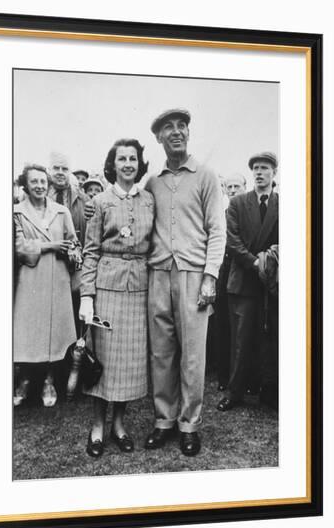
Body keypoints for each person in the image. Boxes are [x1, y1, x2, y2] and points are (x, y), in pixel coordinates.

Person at [144, 109, 226, 456]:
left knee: (193, 355)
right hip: (158, 274)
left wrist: (210, 276)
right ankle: (164, 421)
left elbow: (217, 230)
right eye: (168, 128)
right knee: (161, 353)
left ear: (189, 134)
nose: (176, 132)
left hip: (194, 275)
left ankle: (189, 424)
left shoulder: (206, 175)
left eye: (181, 127)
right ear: (159, 138)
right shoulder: (152, 181)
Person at [79, 139, 154, 458]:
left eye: (133, 159)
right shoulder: (100, 201)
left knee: (129, 364)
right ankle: (97, 425)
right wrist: (86, 296)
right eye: (121, 158)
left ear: (139, 164)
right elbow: (90, 251)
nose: (127, 164)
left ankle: (119, 425)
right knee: (104, 363)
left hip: (138, 290)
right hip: (107, 290)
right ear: (113, 163)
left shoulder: (149, 200)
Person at [13, 164, 80, 407]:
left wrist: (73, 252)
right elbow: (19, 248)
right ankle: (25, 380)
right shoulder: (16, 212)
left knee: (54, 333)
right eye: (34, 182)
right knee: (28, 331)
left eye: (43, 181)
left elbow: (73, 243)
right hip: (31, 279)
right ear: (26, 185)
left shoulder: (61, 212)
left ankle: (49, 381)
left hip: (58, 278)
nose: (40, 186)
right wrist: (51, 245)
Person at [217, 152, 279, 411]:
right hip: (243, 279)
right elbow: (233, 241)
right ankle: (235, 391)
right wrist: (256, 263)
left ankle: (270, 390)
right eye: (255, 168)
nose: (259, 172)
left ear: (273, 172)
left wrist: (273, 258)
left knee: (271, 337)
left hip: (273, 281)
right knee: (240, 340)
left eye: (264, 168)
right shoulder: (238, 203)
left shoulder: (283, 204)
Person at [48, 152, 89, 330]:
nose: (60, 172)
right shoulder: (39, 197)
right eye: (56, 168)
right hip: (49, 264)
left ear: (69, 172)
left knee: (73, 316)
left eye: (64, 169)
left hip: (75, 268)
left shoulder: (84, 200)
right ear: (49, 170)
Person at [214, 173, 247, 391]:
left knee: (243, 329)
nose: (233, 190)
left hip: (244, 274)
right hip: (223, 274)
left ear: (245, 187)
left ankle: (244, 377)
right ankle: (223, 375)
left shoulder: (249, 213)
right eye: (229, 186)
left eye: (237, 186)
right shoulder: (221, 214)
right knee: (222, 325)